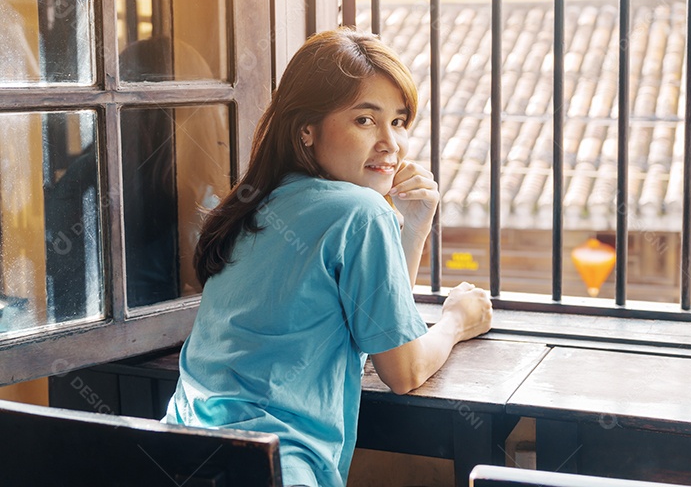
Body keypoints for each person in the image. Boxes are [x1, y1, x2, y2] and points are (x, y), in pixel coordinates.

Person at [162, 28, 493, 487]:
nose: (391, 143)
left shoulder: (256, 202)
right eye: (364, 120)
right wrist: (458, 320)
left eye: (398, 121)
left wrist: (414, 225)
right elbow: (404, 370)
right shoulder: (360, 212)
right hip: (277, 469)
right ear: (306, 130)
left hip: (178, 452)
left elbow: (378, 320)